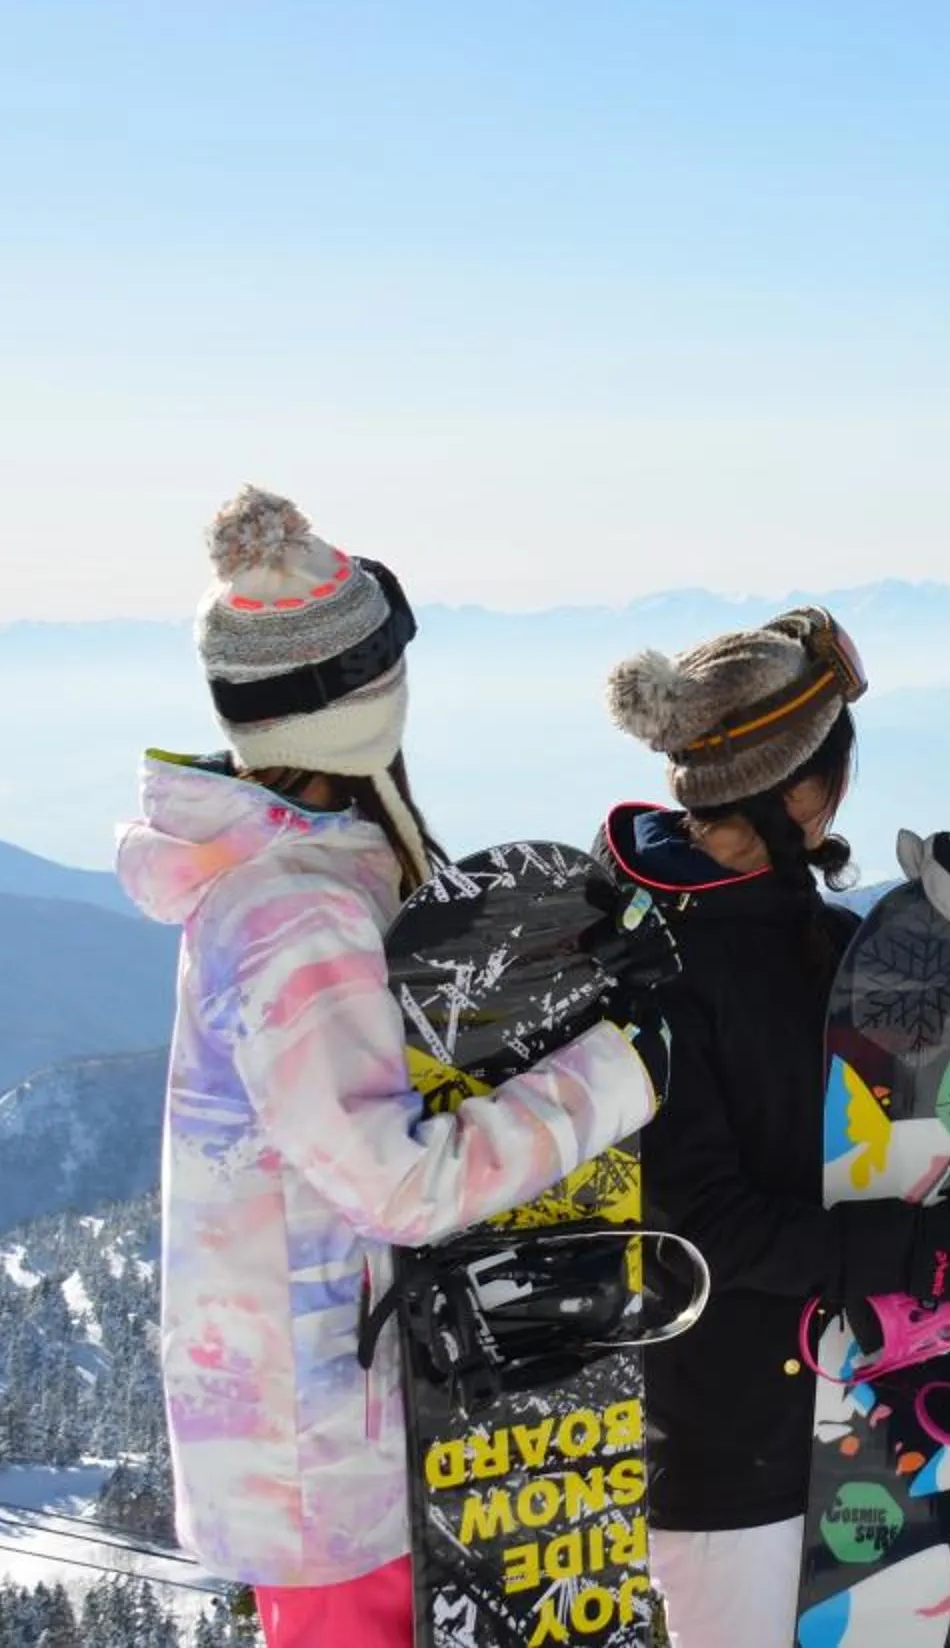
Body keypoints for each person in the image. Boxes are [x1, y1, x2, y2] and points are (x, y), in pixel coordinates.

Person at [117, 487, 668, 1648]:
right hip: (328, 1448)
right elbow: (397, 1182)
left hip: (328, 1412)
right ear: (368, 704)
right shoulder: (295, 914)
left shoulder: (306, 874)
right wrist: (618, 1074)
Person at [596, 609, 950, 1644]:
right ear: (805, 790)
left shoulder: (829, 953)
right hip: (738, 1464)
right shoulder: (662, 973)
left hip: (835, 1422)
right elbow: (707, 1223)